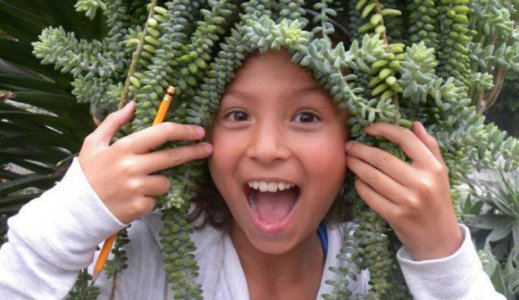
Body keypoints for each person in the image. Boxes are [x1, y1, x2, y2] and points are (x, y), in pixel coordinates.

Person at [0, 49, 504, 299]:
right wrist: (75, 213)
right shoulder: (138, 260)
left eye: (306, 116)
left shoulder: (378, 266)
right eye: (237, 115)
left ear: (363, 136)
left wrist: (442, 257)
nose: (266, 149)